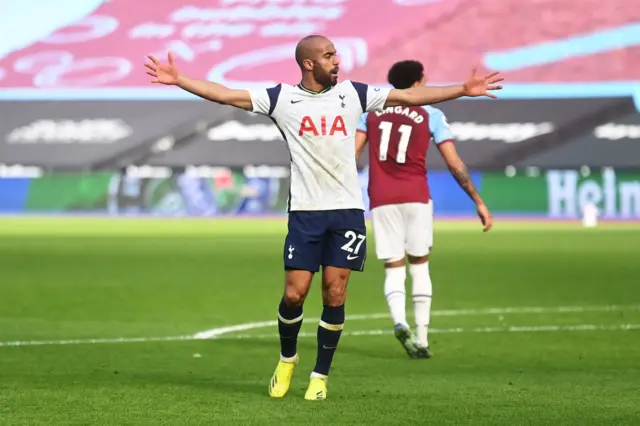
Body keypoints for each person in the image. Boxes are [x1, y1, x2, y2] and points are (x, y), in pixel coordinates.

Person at [145, 36, 503, 400]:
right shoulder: (281, 98)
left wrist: (462, 89)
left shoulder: (354, 94)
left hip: (347, 211)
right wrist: (181, 79)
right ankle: (288, 359)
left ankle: (320, 376)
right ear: (308, 64)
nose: (337, 61)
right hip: (305, 212)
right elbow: (226, 94)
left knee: (335, 292)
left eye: (336, 54)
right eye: (329, 55)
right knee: (294, 295)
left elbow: (409, 97)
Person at [355, 60, 494, 359]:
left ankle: (399, 321)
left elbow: (351, 153)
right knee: (419, 265)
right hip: (416, 196)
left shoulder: (371, 113)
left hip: (381, 197)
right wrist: (478, 201)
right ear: (418, 84)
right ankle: (421, 337)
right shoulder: (432, 114)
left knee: (393, 265)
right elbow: (454, 164)